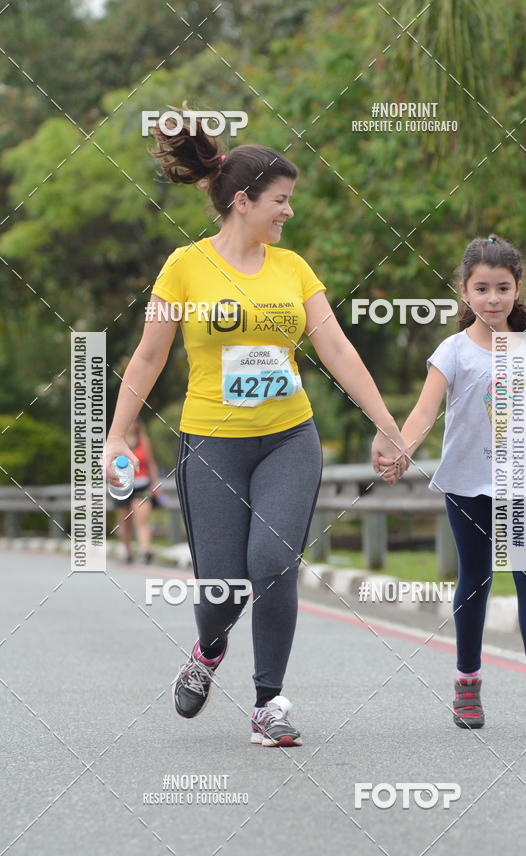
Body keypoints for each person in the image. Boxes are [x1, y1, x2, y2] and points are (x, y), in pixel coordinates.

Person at [103, 110, 406, 747]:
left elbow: (338, 350)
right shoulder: (183, 267)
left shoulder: (292, 270)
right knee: (220, 587)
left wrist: (386, 424)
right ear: (242, 202)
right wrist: (113, 435)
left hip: (289, 439)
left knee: (272, 564)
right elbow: (150, 356)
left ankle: (269, 704)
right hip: (211, 444)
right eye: (280, 201)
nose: (287, 213)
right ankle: (208, 648)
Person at [377, 235, 526, 729]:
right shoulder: (453, 351)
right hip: (467, 484)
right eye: (482, 288)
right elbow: (424, 413)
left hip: (521, 480)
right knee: (477, 578)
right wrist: (401, 448)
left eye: (503, 288)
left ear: (518, 289)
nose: (493, 299)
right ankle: (468, 682)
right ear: (464, 292)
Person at [112, 416, 161, 564]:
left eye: (135, 422)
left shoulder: (143, 440)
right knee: (125, 521)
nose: (132, 425)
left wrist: (155, 484)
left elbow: (151, 462)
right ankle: (128, 552)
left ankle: (145, 551)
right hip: (123, 486)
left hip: (142, 486)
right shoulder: (117, 443)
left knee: (142, 519)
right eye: (130, 421)